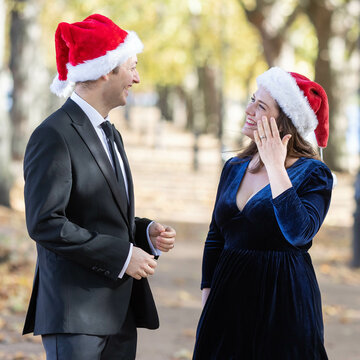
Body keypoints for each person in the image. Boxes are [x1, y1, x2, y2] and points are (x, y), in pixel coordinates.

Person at [22, 14, 176, 360]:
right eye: (131, 67)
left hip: (118, 313)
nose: (136, 78)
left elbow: (99, 212)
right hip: (75, 315)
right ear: (106, 69)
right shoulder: (53, 135)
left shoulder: (110, 132)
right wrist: (122, 256)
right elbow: (45, 223)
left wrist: (145, 232)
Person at [193, 67, 332, 360]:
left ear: (285, 121)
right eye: (252, 100)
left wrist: (276, 167)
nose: (249, 110)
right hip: (228, 296)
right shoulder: (233, 167)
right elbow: (216, 236)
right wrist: (208, 295)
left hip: (284, 299)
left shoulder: (314, 173)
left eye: (261, 106)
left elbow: (300, 233)